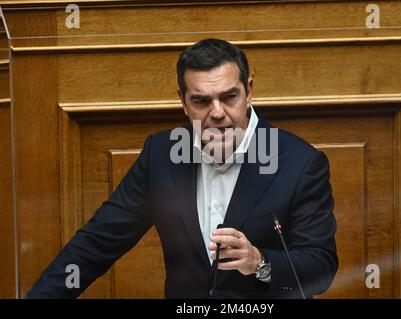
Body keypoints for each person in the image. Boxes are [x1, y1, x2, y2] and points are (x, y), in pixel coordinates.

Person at [26, 38, 338, 299]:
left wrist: (260, 262)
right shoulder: (161, 156)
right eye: (202, 101)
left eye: (229, 97)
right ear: (183, 102)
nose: (218, 113)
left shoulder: (300, 163)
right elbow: (96, 244)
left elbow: (321, 268)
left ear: (249, 91)